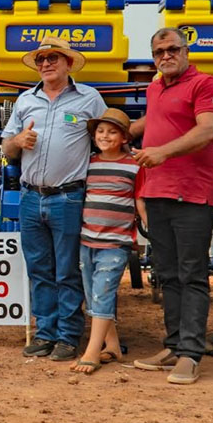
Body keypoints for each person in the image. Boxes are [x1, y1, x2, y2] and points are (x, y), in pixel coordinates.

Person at [1, 36, 107, 362]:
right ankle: (45, 333)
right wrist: (18, 140)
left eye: (53, 58)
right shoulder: (24, 101)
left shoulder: (89, 99)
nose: (46, 64)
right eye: (41, 59)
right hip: (31, 197)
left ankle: (68, 336)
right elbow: (6, 149)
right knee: (39, 270)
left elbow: (107, 138)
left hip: (69, 197)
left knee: (67, 271)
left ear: (69, 63)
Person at [129, 28, 213, 384]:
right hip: (158, 192)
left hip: (192, 194)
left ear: (186, 51)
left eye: (172, 49)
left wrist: (162, 152)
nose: (165, 56)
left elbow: (208, 130)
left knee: (192, 274)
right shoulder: (156, 87)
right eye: (158, 52)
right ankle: (172, 345)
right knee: (166, 274)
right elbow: (155, 122)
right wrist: (118, 128)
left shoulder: (206, 84)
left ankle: (190, 353)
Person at [71, 109, 145, 374]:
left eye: (112, 131)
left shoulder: (134, 165)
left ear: (124, 137)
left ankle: (91, 351)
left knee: (103, 293)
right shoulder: (89, 162)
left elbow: (139, 198)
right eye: (100, 131)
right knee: (93, 296)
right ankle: (112, 345)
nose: (105, 136)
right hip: (87, 239)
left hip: (116, 241)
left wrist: (147, 228)